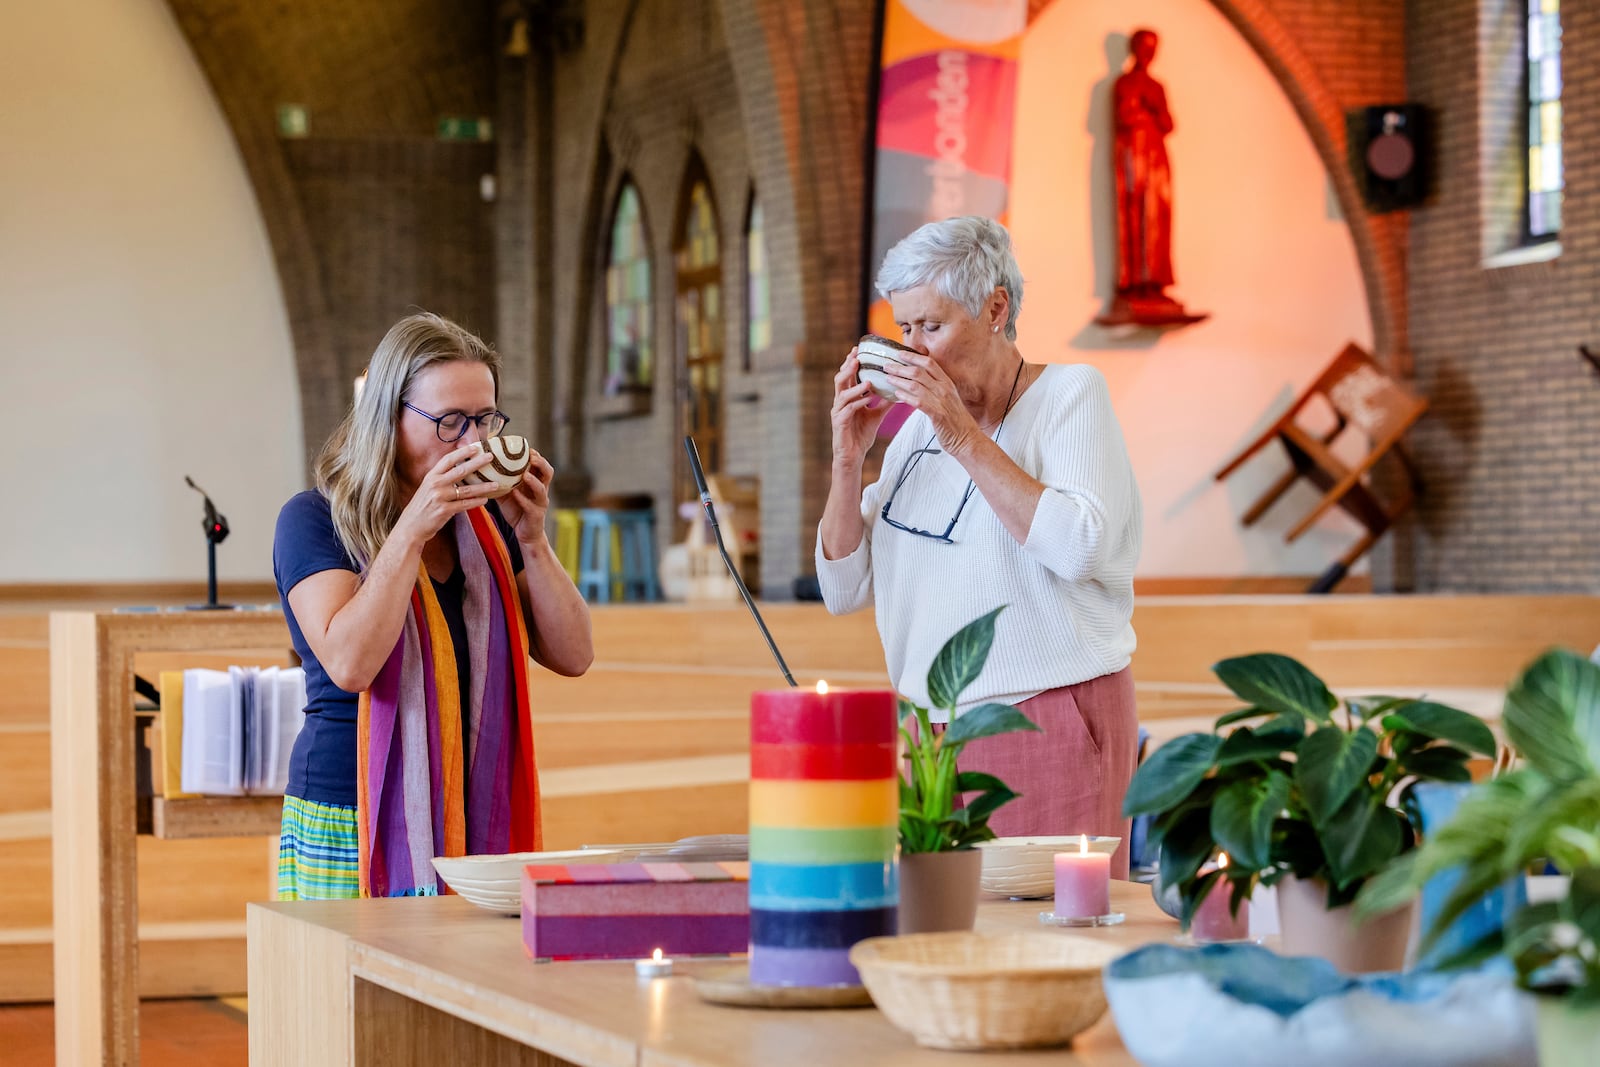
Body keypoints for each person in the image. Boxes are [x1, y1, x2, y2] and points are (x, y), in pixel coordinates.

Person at [818, 216, 1143, 877]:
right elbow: (842, 588)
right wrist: (848, 459)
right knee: (940, 930)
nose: (915, 353)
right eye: (903, 330)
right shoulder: (911, 436)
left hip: (1044, 712)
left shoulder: (1070, 396)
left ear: (995, 308)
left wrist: (962, 435)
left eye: (931, 327)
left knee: (1045, 932)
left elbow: (1080, 546)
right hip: (925, 729)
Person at [272, 312, 593, 899]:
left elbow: (574, 655)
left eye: (485, 419)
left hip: (470, 805)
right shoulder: (314, 518)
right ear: (387, 420)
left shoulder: (489, 522)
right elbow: (351, 664)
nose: (473, 442)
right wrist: (411, 530)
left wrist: (532, 538)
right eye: (449, 421)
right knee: (349, 992)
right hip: (352, 808)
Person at [1112, 28, 1175, 299]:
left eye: (1153, 49)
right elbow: (1123, 118)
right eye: (1145, 48)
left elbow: (1169, 124)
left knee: (1158, 215)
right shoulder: (1124, 83)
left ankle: (1157, 281)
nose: (1149, 54)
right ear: (1135, 49)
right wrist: (1142, 109)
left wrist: (1155, 107)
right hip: (1133, 154)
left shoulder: (1157, 87)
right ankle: (1136, 282)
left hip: (1156, 156)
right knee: (1136, 212)